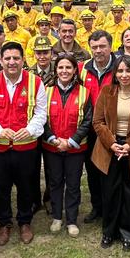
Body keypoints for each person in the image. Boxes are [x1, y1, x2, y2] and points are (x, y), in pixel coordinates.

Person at [0, 41, 48, 245]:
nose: (11, 62)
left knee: (26, 186)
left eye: (16, 58)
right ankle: (4, 222)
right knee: (1, 187)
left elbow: (41, 112)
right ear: (0, 60)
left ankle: (25, 221)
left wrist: (30, 130)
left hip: (26, 146)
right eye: (7, 58)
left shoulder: (35, 82)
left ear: (23, 59)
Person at [91, 55, 130, 249]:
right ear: (115, 74)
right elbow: (98, 122)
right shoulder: (107, 91)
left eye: (128, 70)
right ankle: (110, 231)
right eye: (120, 71)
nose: (124, 75)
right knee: (110, 191)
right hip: (110, 147)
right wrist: (112, 143)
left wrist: (129, 145)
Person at [40, 55, 93, 238]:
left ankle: (71, 220)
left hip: (75, 149)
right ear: (55, 71)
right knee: (54, 183)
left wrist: (70, 142)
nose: (64, 71)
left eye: (68, 67)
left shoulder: (85, 93)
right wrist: (53, 139)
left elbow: (88, 121)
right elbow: (41, 119)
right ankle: (56, 216)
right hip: (52, 147)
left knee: (72, 185)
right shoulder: (46, 91)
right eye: (60, 67)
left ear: (74, 71)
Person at [81, 31, 116, 225]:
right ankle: (97, 206)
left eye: (102, 46)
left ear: (110, 46)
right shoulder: (83, 69)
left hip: (112, 129)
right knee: (92, 169)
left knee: (110, 171)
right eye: (94, 47)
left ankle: (111, 207)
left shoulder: (119, 67)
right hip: (90, 130)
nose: (98, 51)